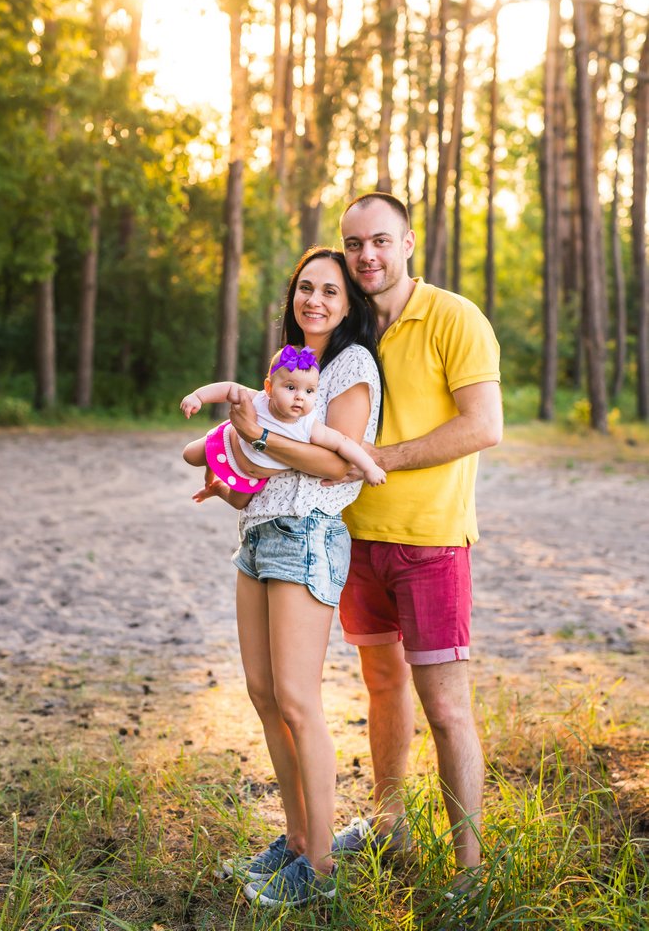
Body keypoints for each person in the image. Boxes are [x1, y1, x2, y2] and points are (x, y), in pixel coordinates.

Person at [329, 193, 503, 915]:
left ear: (407, 243)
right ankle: (390, 825)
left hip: (430, 543)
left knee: (447, 709)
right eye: (353, 244)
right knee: (381, 687)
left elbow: (484, 425)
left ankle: (470, 873)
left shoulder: (455, 317)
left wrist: (382, 458)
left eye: (379, 241)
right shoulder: (345, 324)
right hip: (355, 539)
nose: (366, 255)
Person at [195, 246, 383, 908]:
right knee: (263, 693)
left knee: (298, 701)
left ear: (349, 302)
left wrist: (257, 437)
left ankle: (321, 868)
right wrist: (230, 487)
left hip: (306, 535)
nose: (315, 300)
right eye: (305, 287)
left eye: (330, 290)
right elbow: (262, 471)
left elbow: (336, 464)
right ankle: (298, 839)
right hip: (258, 534)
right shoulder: (287, 367)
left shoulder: (352, 365)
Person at [179, 344, 385, 506]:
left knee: (238, 502)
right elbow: (229, 389)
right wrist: (198, 397)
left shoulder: (308, 426)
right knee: (190, 455)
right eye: (291, 387)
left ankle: (216, 489)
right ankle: (210, 465)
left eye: (309, 391)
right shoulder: (258, 400)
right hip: (228, 446)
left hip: (249, 476)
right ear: (269, 388)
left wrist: (369, 467)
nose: (300, 397)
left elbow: (343, 442)